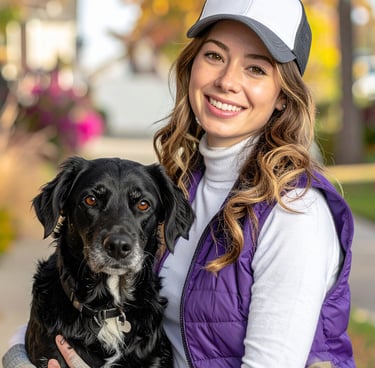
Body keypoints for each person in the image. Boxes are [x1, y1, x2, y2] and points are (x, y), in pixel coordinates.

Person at [3, 0, 356, 367]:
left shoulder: (294, 213)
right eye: (216, 56)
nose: (227, 81)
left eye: (255, 68)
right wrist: (20, 355)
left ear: (283, 95)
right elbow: (71, 295)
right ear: (191, 68)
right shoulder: (178, 188)